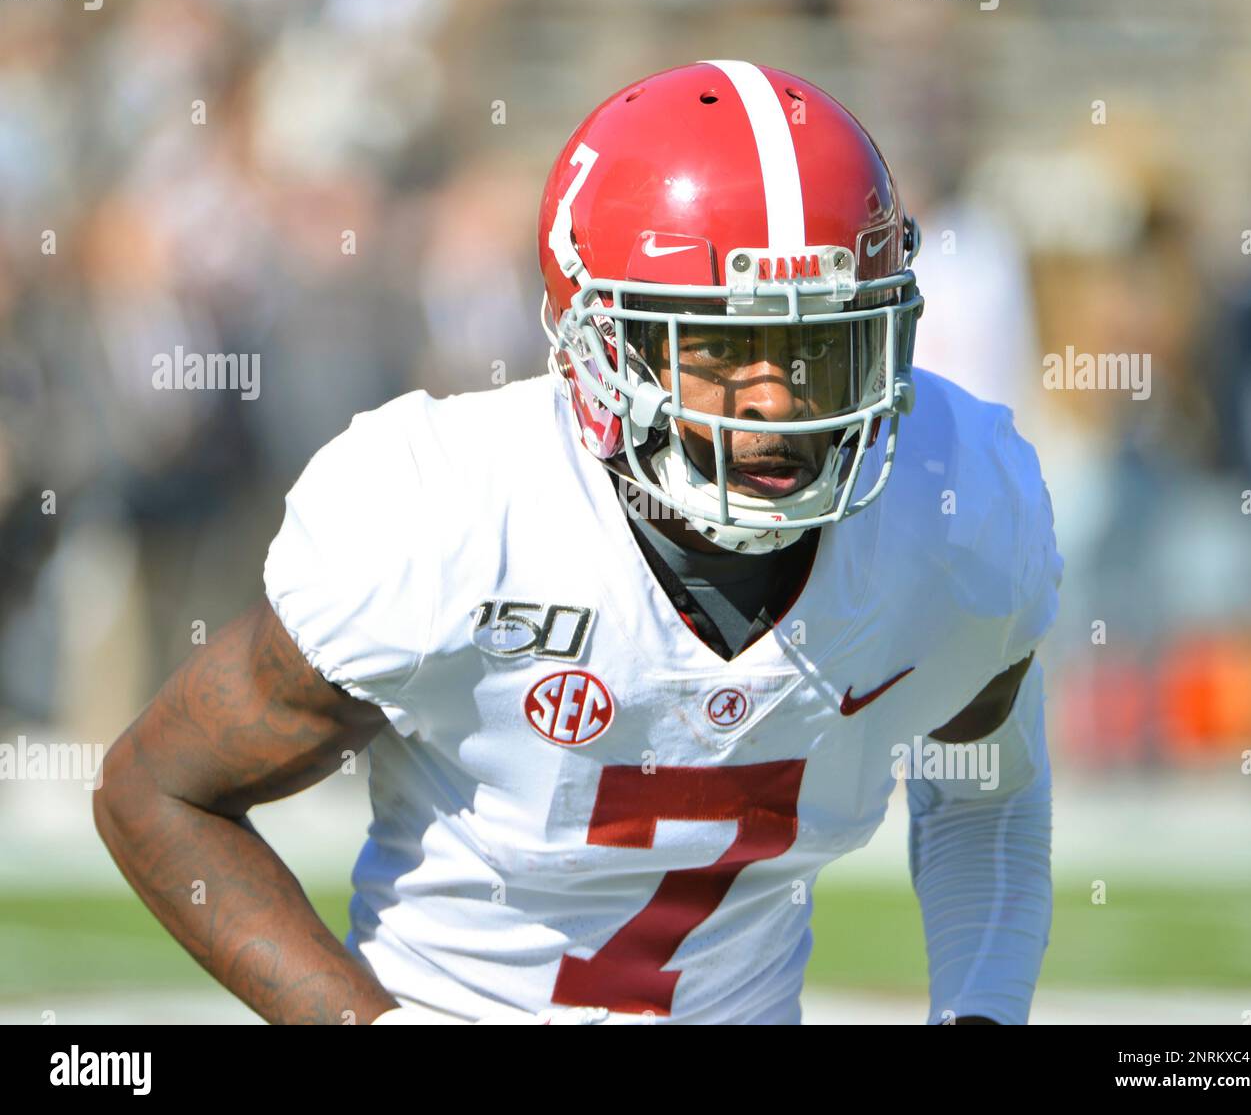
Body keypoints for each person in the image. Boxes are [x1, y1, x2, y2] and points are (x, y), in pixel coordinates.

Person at [94, 60, 1062, 1025]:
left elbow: (986, 789)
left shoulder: (950, 505)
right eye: (720, 345)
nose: (776, 398)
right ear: (601, 345)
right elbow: (158, 791)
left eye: (820, 342)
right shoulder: (456, 512)